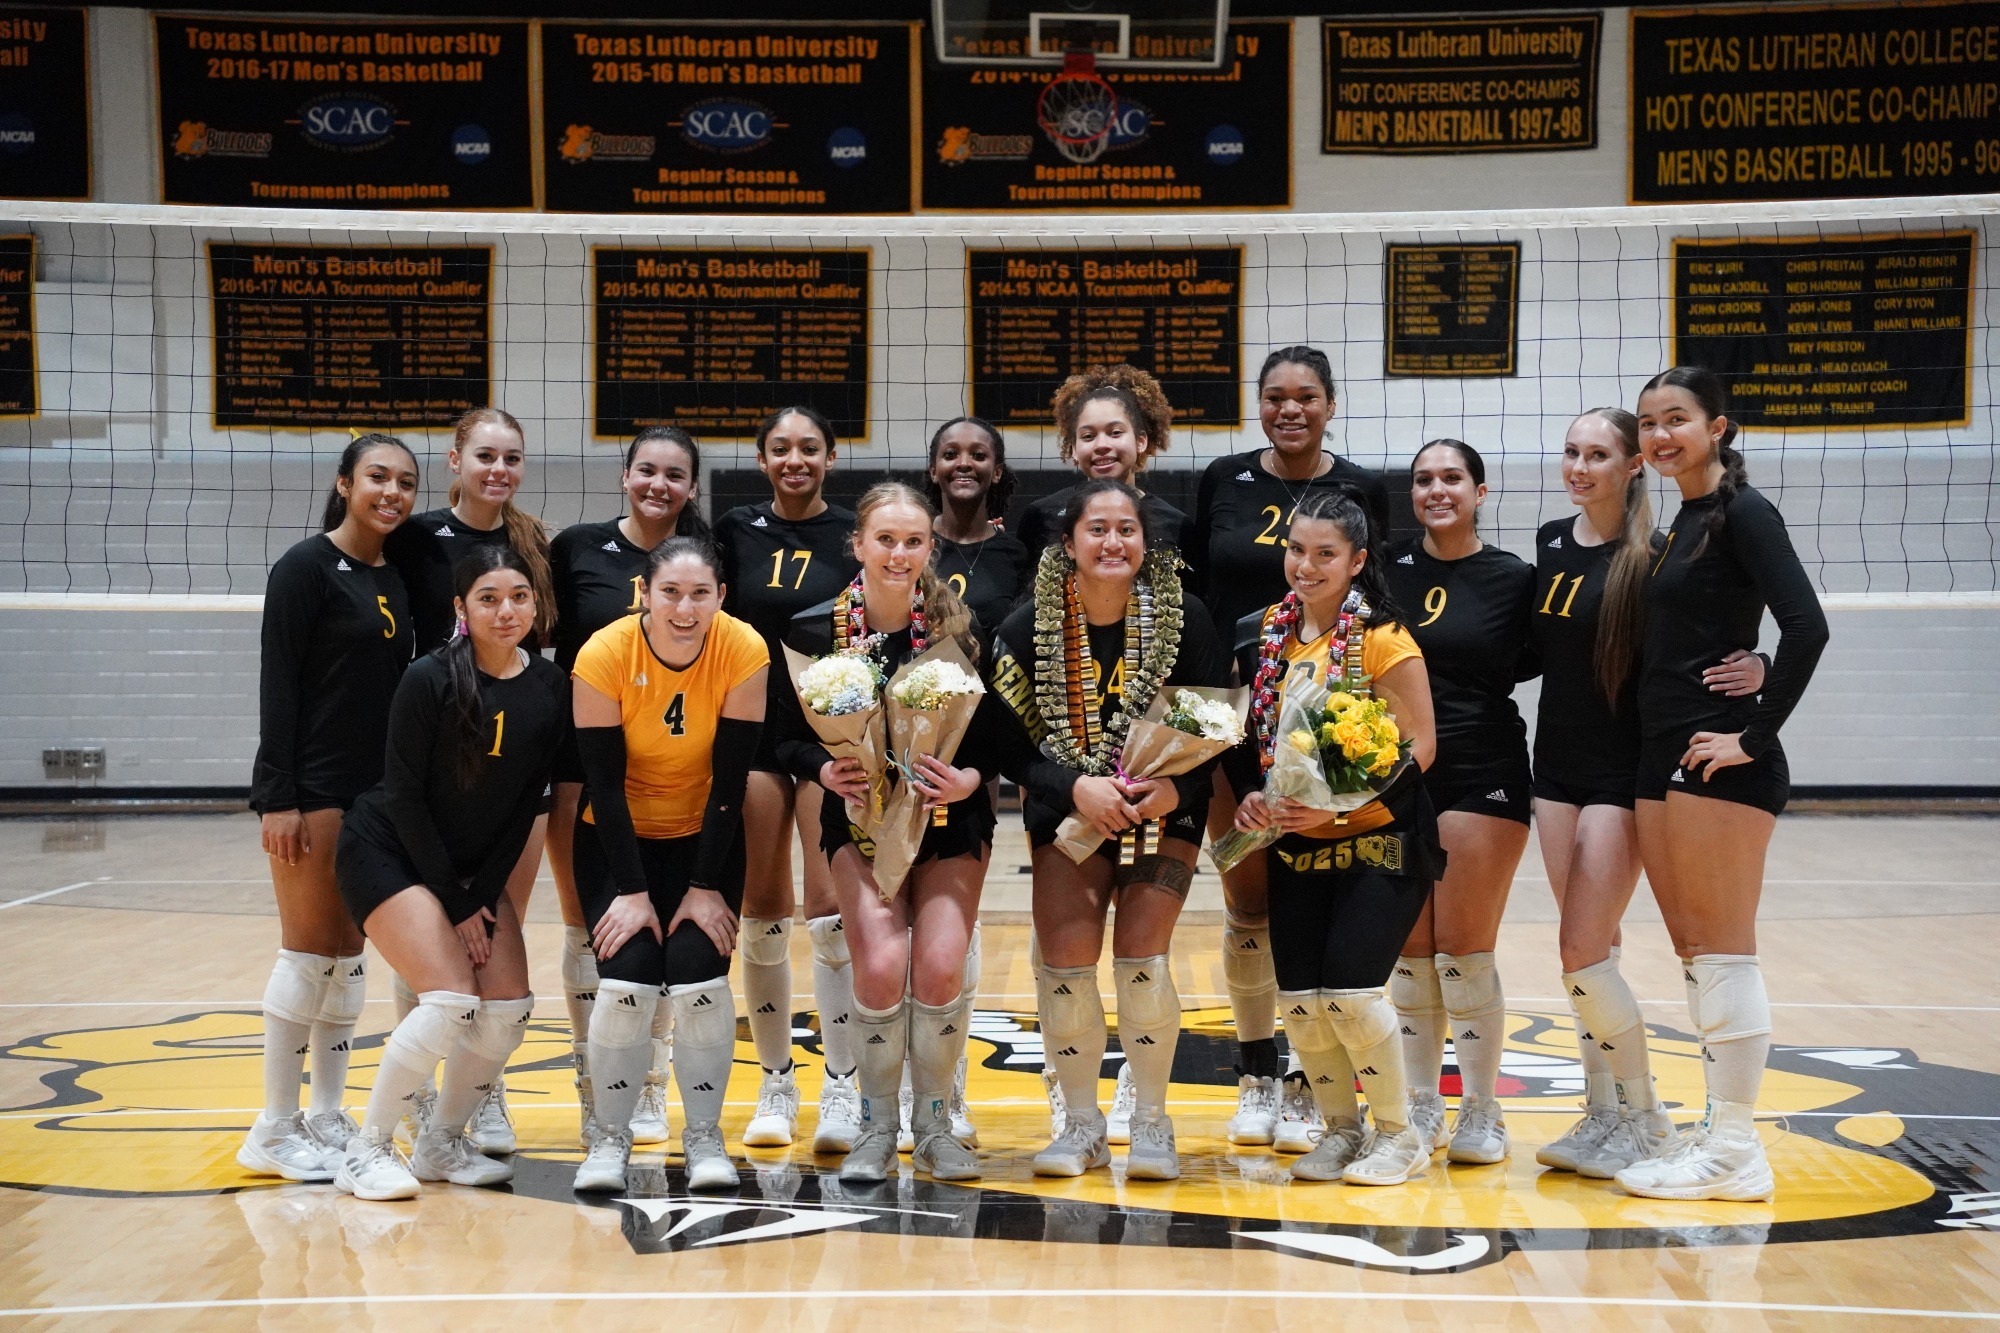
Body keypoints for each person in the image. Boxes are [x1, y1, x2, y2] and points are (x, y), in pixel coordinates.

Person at [1528, 408, 1766, 1179]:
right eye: (1570, 452)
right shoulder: (1550, 543)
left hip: (1620, 771)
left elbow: (1706, 637)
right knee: (1591, 953)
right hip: (1553, 766)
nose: (1578, 466)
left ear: (1634, 466)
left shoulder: (1656, 557)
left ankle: (1643, 1113)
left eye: (1597, 454)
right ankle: (1604, 1113)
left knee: (1580, 949)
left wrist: (1759, 667)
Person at [1615, 367, 1827, 1202]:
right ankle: (1718, 1135)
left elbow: (1806, 623)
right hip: (1665, 750)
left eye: (1678, 419)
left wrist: (1756, 730)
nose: (1661, 435)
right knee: (1696, 954)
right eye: (1649, 423)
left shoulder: (1744, 511)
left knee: (1725, 950)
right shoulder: (1681, 522)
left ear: (1719, 427)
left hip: (1718, 757)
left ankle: (1738, 1149)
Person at [989, 479, 1227, 1182]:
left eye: (1128, 528)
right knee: (1065, 964)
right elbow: (1006, 749)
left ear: (1145, 543)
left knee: (1141, 956)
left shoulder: (1189, 620)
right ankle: (1083, 1123)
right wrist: (1075, 787)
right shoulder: (1023, 628)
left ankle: (1151, 1118)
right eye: (1098, 529)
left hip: (1166, 806)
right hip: (1066, 809)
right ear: (1068, 544)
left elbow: (1221, 736)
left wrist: (1173, 789)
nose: (1114, 541)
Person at [1188, 345, 1392, 1151]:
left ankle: (1312, 1086)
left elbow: (1380, 603)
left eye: (1306, 396)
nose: (1290, 409)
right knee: (1247, 903)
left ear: (1330, 405)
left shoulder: (1364, 489)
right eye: (1275, 396)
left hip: (1322, 723)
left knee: (1312, 900)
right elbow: (1203, 598)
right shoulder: (1223, 479)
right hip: (1237, 711)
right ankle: (1255, 1075)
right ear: (1258, 404)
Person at [772, 482, 996, 1184]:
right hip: (860, 819)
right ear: (858, 544)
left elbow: (1000, 734)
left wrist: (970, 779)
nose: (900, 554)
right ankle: (874, 1125)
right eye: (886, 540)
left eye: (914, 541)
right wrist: (821, 767)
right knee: (875, 963)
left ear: (932, 547)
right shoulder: (812, 629)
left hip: (948, 818)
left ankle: (932, 1124)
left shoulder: (961, 628)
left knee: (937, 965)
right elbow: (779, 737)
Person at [330, 547, 567, 1199]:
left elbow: (524, 803)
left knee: (508, 1009)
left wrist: (481, 893)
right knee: (452, 997)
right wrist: (459, 901)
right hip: (387, 849)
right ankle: (366, 1148)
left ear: (536, 604)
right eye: (488, 597)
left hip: (470, 867)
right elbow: (404, 797)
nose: (506, 609)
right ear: (461, 609)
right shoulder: (429, 677)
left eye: (519, 595)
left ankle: (439, 1141)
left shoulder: (549, 688)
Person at [1225, 487, 1442, 1185]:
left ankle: (1398, 1135)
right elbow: (1259, 742)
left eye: (1325, 554)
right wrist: (1257, 800)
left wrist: (1337, 812)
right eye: (1296, 550)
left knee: (1350, 995)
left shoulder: (1383, 637)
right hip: (1296, 844)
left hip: (1380, 839)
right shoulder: (1264, 634)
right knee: (1304, 1005)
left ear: (1357, 561)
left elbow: (1421, 747)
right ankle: (1341, 1130)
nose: (1306, 565)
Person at [239, 434, 417, 1182]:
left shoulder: (398, 575)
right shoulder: (305, 569)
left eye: (406, 482)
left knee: (346, 962)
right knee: (308, 954)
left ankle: (324, 1112)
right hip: (312, 791)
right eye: (377, 476)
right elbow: (277, 685)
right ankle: (273, 1127)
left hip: (371, 795)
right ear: (345, 482)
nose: (393, 492)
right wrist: (277, 795)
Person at [569, 537, 770, 1193]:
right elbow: (601, 784)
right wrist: (631, 891)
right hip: (615, 839)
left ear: (721, 597)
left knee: (697, 979)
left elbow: (730, 780)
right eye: (671, 593)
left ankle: (705, 1137)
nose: (685, 608)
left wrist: (704, 884)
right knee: (627, 984)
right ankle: (609, 1137)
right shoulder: (603, 654)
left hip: (702, 838)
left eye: (700, 594)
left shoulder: (742, 648)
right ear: (645, 594)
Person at [382, 407, 558, 1151]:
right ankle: (419, 1093)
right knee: (435, 939)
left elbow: (544, 639)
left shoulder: (531, 543)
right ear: (454, 459)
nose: (499, 470)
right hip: (438, 748)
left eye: (511, 458)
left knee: (495, 924)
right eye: (485, 455)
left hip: (509, 756)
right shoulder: (417, 537)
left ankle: (482, 1094)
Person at [546, 426, 712, 1149]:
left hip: (677, 767)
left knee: (665, 920)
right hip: (585, 762)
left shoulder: (703, 557)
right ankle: (595, 1080)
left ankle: (651, 1078)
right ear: (624, 474)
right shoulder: (577, 547)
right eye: (647, 470)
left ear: (691, 488)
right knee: (591, 923)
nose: (659, 485)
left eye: (675, 474)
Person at [712, 406, 861, 1152]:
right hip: (757, 736)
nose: (795, 459)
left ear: (831, 455)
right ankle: (776, 1079)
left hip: (832, 736)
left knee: (830, 912)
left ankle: (842, 1083)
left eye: (809, 446)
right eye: (780, 448)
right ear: (762, 456)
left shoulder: (853, 532)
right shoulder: (735, 530)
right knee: (762, 908)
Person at [1382, 439, 1535, 1166]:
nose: (1436, 489)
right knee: (1409, 951)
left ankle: (1481, 1109)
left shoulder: (1514, 578)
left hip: (1484, 765)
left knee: (1463, 950)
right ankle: (1419, 1104)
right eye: (1423, 479)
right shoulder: (1382, 570)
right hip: (1399, 769)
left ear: (1480, 490)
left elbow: (1559, 654)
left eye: (1451, 477)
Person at [1012, 365, 1192, 559]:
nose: (1101, 445)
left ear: (1140, 441)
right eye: (1088, 436)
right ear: (1073, 448)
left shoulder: (1175, 524)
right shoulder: (1041, 516)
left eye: (1115, 433)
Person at [927, 416, 1031, 632]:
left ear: (997, 472)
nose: (964, 463)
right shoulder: (914, 545)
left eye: (978, 455)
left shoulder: (1014, 554)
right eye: (950, 454)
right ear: (934, 471)